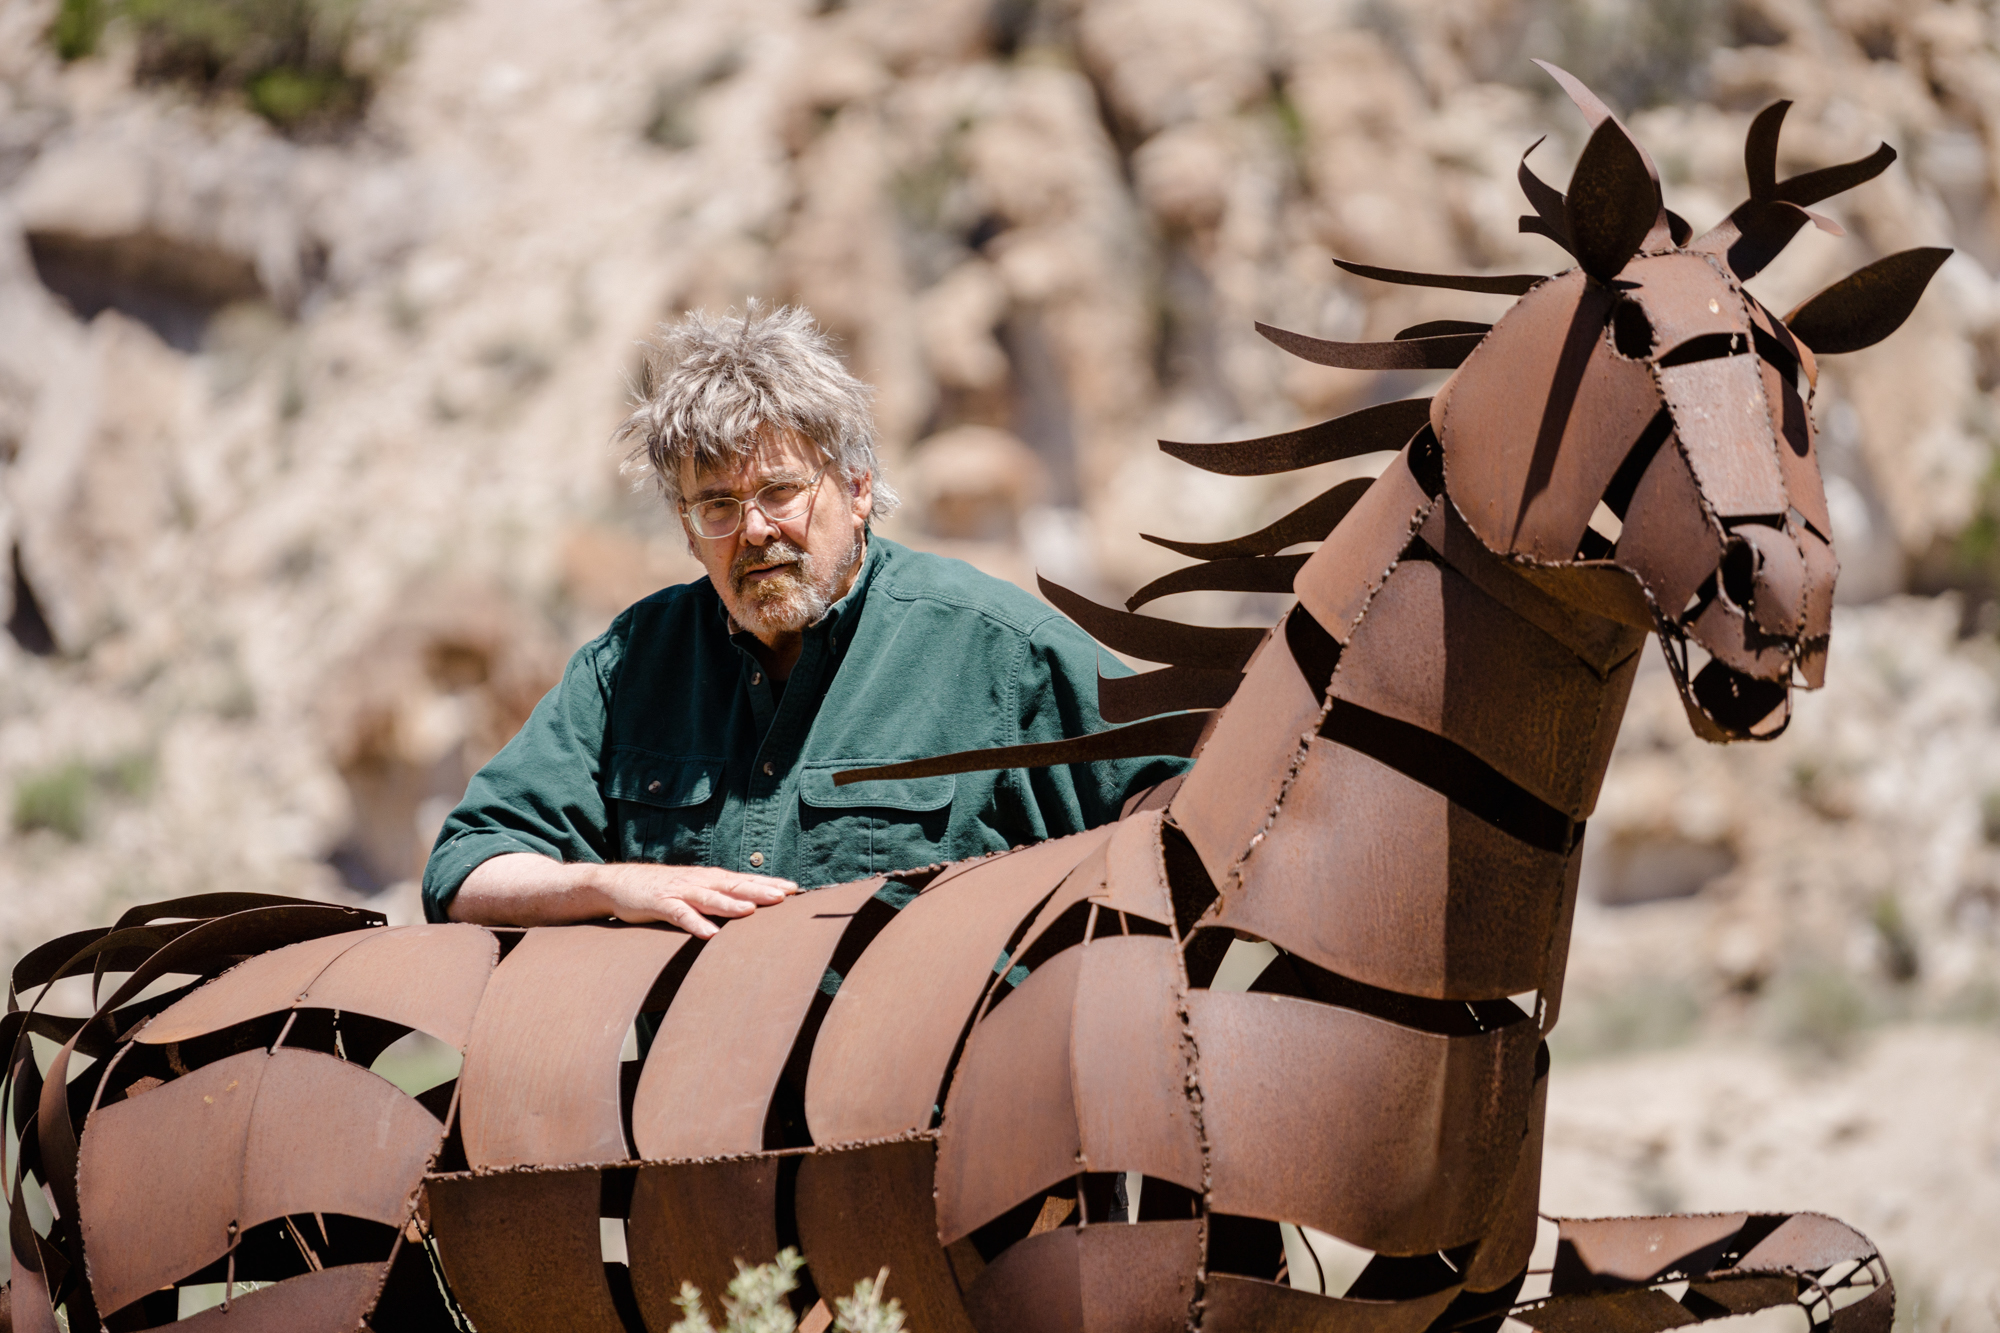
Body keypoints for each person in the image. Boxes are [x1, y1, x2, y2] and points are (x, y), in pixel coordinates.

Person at [422, 302, 1188, 936]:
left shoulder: (1000, 651)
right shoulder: (628, 668)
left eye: (781, 491)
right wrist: (613, 885)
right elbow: (467, 868)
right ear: (687, 528)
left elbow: (1188, 821)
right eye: (717, 505)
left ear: (857, 487)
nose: (754, 530)